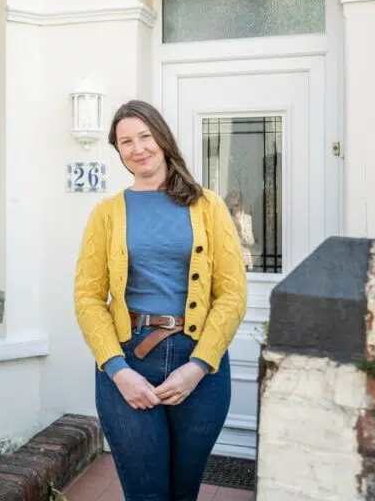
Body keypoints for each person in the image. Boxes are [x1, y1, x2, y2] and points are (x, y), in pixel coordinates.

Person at [73, 100, 247, 501]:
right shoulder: (107, 213)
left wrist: (199, 366)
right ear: (119, 152)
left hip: (198, 364)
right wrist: (118, 369)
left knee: (184, 493)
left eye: (145, 137)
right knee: (146, 494)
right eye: (125, 142)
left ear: (162, 138)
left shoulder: (208, 206)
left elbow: (232, 292)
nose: (138, 149)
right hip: (130, 361)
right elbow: (87, 297)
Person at [225, 190, 255, 271]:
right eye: (231, 206)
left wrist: (240, 231)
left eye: (236, 205)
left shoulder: (246, 218)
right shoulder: (224, 219)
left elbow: (250, 242)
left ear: (241, 205)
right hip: (228, 262)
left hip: (244, 263)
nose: (234, 208)